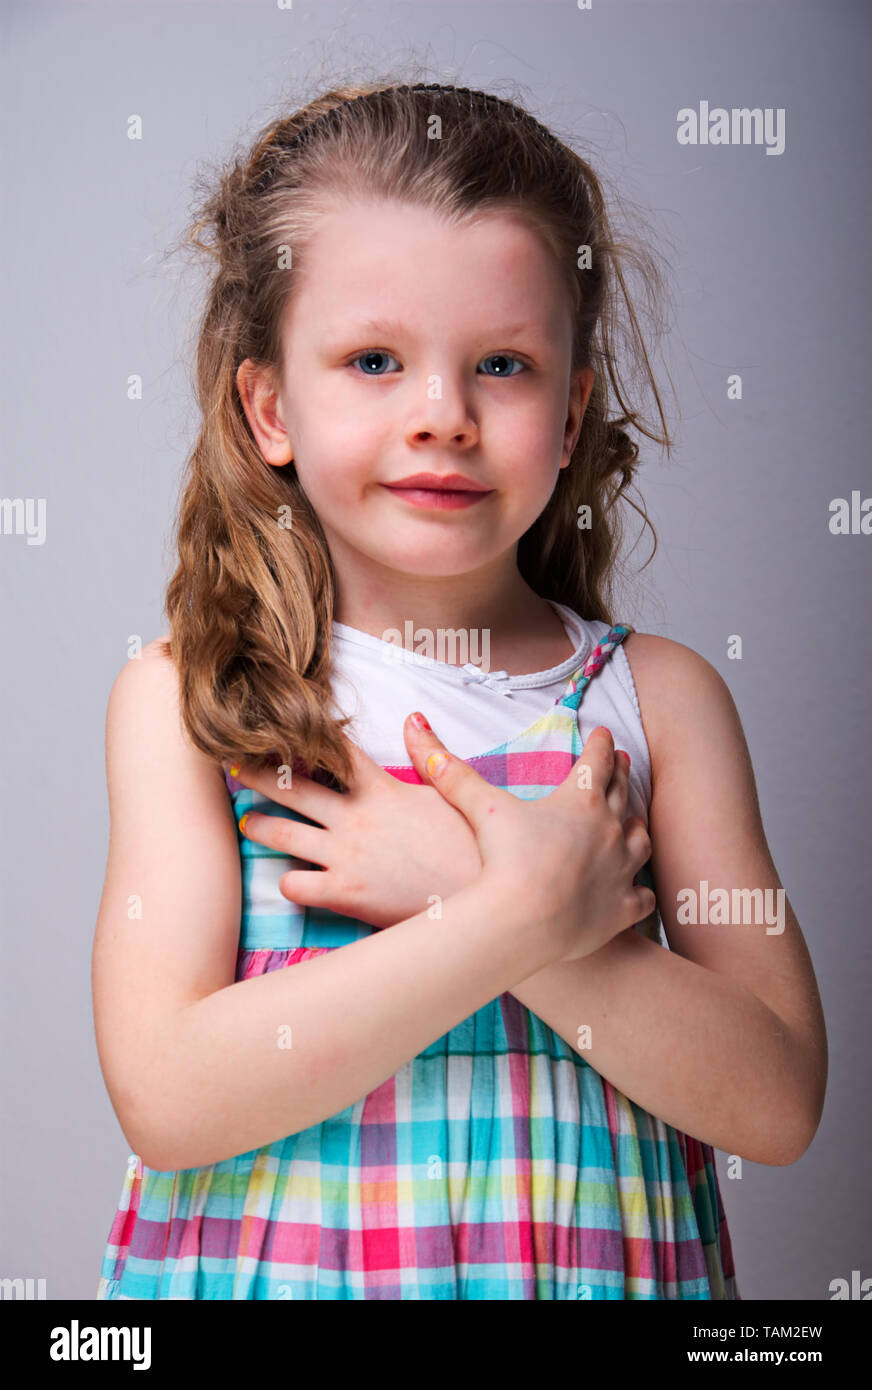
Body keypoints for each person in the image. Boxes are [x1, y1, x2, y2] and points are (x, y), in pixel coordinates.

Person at [92, 80, 827, 1300]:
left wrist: (458, 880)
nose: (443, 416)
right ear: (269, 405)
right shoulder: (196, 702)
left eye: (501, 364)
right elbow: (168, 1098)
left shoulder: (657, 700)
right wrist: (506, 915)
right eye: (373, 360)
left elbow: (775, 1096)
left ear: (571, 407)